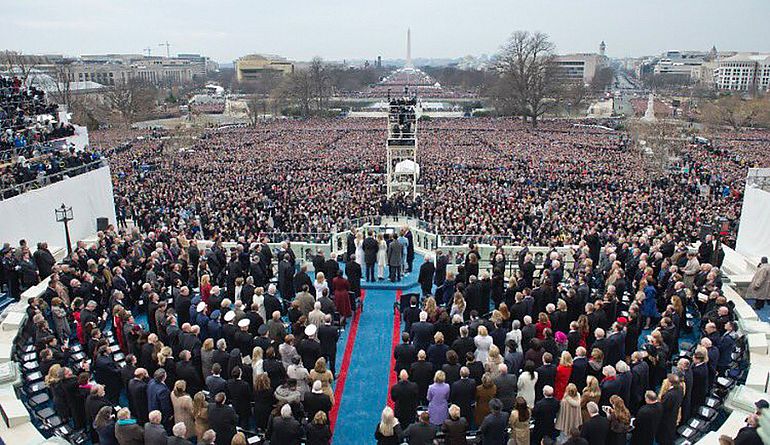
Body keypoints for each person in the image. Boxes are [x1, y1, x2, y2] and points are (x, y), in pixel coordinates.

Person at [656, 374, 684, 445]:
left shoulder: (669, 395)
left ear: (670, 383)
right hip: (674, 413)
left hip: (667, 416)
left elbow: (663, 407)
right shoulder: (680, 388)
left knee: (665, 432)